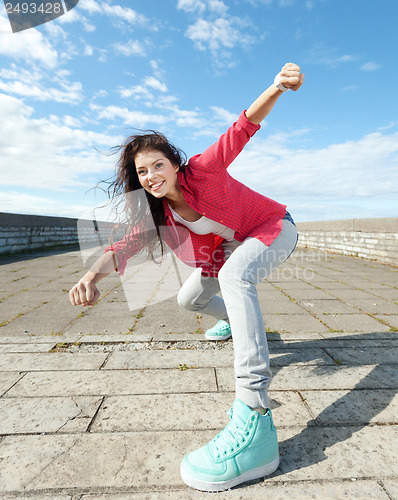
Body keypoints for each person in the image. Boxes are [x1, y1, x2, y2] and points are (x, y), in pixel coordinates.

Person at [69, 62, 304, 492]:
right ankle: (240, 320)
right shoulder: (156, 216)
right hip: (227, 250)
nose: (151, 177)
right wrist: (92, 276)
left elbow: (243, 126)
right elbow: (120, 249)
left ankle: (253, 413)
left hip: (273, 227)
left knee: (235, 278)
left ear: (174, 165)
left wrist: (276, 87)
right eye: (142, 172)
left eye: (157, 166)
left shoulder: (203, 170)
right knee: (188, 299)